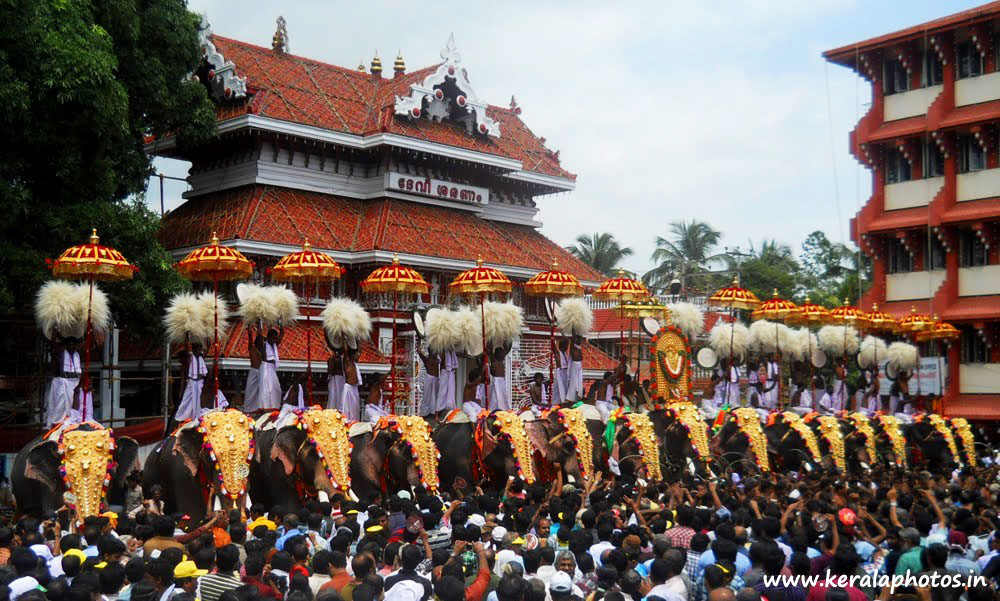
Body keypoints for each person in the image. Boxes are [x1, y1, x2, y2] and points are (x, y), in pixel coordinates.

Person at [44, 334, 83, 426]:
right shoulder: (61, 353)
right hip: (64, 382)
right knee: (60, 405)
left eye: (74, 345)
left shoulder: (77, 354)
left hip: (75, 383)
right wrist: (55, 332)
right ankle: (57, 424)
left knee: (76, 405)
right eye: (70, 344)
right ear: (66, 345)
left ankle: (72, 423)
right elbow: (53, 345)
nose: (72, 346)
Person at [174, 341, 208, 422]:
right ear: (193, 349)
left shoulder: (201, 358)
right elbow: (186, 347)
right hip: (191, 382)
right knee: (186, 400)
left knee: (199, 401)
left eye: (200, 349)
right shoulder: (190, 358)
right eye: (197, 349)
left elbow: (207, 347)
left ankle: (198, 417)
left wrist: (207, 337)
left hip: (199, 382)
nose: (199, 350)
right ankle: (182, 416)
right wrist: (186, 337)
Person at [256, 325, 285, 410]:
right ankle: (264, 408)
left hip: (272, 368)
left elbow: (282, 333)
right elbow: (259, 336)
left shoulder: (274, 344)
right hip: (265, 367)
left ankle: (274, 407)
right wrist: (259, 324)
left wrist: (280, 323)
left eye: (275, 338)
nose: (274, 340)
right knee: (266, 390)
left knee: (276, 389)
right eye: (272, 338)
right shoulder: (264, 344)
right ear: (268, 337)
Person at [244, 324, 263, 412]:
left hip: (261, 372)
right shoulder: (252, 348)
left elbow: (262, 335)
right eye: (259, 342)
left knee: (261, 393)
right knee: (250, 392)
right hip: (253, 372)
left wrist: (259, 324)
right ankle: (248, 410)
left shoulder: (263, 351)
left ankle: (259, 409)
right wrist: (250, 332)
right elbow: (250, 341)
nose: (261, 343)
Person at [488, 345, 512, 412]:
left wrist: (507, 339)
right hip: (496, 381)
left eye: (502, 353)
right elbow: (489, 351)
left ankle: (503, 409)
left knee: (502, 396)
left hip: (502, 380)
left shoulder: (502, 359)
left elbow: (508, 348)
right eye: (500, 352)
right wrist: (490, 340)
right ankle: (494, 410)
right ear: (496, 354)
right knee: (496, 397)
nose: (502, 354)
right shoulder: (494, 360)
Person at [418, 348, 440, 418]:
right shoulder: (427, 359)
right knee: (426, 397)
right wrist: (419, 340)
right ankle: (424, 414)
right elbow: (419, 352)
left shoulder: (437, 360)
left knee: (436, 396)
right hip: (429, 378)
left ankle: (434, 413)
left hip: (436, 379)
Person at [326, 340, 344, 413]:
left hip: (342, 380)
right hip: (334, 379)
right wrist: (333, 358)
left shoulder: (343, 359)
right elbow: (330, 370)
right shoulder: (331, 359)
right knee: (333, 397)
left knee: (341, 398)